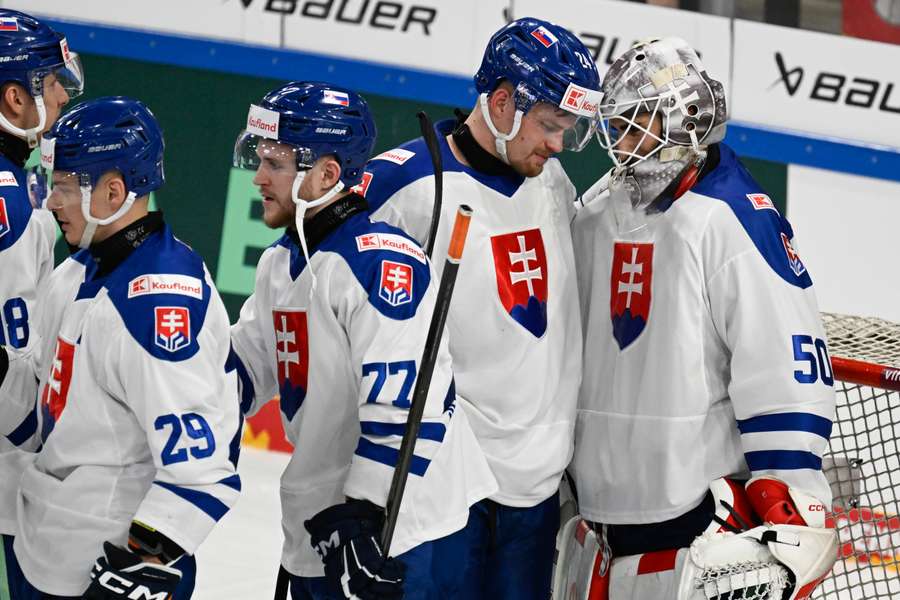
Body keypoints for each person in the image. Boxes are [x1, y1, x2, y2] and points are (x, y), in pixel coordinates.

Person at [567, 37, 838, 599]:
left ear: (683, 119)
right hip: (594, 531)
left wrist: (789, 485)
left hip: (698, 534)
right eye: (616, 127)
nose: (621, 142)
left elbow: (786, 355)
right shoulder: (595, 211)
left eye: (635, 122)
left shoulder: (733, 218)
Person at [360, 16, 601, 598]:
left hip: (537, 495)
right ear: (500, 102)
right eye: (549, 125)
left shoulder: (551, 182)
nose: (558, 143)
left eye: (567, 128)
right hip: (440, 491)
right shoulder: (404, 189)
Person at [229, 81, 497, 600]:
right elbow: (246, 369)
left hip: (401, 535)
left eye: (276, 164)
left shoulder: (380, 263)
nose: (259, 178)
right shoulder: (280, 264)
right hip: (326, 524)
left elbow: (404, 407)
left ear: (327, 174)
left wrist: (364, 519)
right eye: (260, 159)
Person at [0, 96, 241, 599]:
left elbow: (202, 470)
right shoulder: (75, 273)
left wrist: (143, 567)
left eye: (64, 186)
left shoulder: (156, 302)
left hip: (104, 563)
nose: (50, 202)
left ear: (114, 191)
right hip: (44, 544)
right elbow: (46, 414)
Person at [0, 7, 83, 472]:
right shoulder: (11, 203)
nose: (61, 98)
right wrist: (40, 449)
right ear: (15, 97)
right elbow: (12, 363)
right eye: (51, 83)